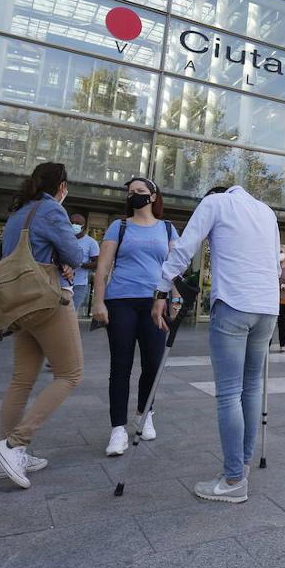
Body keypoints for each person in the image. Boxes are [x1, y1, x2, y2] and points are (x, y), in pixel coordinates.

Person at [152, 185, 279, 504]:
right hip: (267, 308)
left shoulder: (215, 203)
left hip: (234, 303)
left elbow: (184, 248)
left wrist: (162, 288)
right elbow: (275, 266)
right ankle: (242, 466)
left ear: (212, 194)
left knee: (228, 393)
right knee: (251, 388)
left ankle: (234, 478)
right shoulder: (267, 212)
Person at [0, 162, 84, 489]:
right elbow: (73, 253)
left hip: (18, 305)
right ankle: (14, 444)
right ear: (61, 186)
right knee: (70, 374)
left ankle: (8, 456)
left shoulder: (19, 214)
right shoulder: (51, 211)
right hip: (47, 303)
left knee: (21, 380)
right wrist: (65, 260)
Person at [91, 177, 179, 457]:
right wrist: (98, 302)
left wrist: (174, 299)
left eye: (140, 192)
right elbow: (103, 267)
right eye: (130, 193)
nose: (134, 196)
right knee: (121, 365)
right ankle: (117, 429)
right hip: (120, 301)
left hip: (156, 302)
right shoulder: (120, 226)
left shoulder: (167, 228)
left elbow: (174, 268)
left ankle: (144, 412)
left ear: (153, 197)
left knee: (153, 364)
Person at [69, 214, 99, 316]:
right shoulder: (64, 239)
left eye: (77, 223)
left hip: (79, 284)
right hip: (61, 282)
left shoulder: (91, 243)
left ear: (83, 226)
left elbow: (97, 263)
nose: (74, 225)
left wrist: (81, 264)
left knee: (71, 313)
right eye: (72, 223)